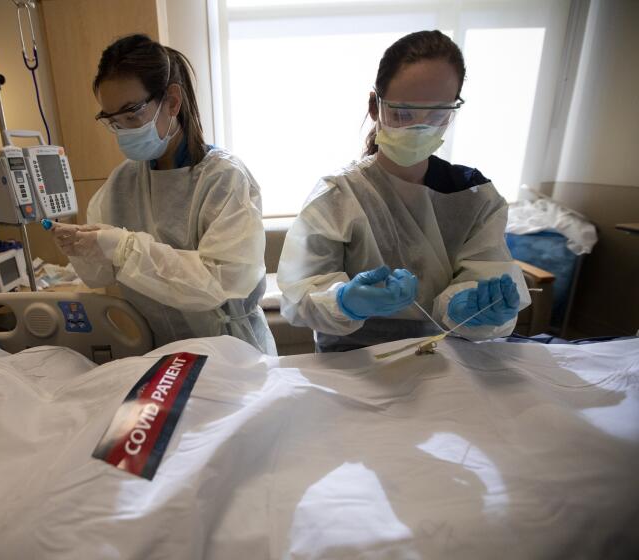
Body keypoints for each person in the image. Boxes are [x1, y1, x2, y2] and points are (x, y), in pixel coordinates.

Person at [278, 30, 530, 352]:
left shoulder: (473, 197)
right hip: (353, 363)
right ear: (374, 106)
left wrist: (472, 308)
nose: (419, 128)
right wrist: (343, 301)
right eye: (403, 113)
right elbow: (300, 296)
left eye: (438, 113)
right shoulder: (339, 196)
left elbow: (486, 272)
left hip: (445, 360)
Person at [51, 34, 276, 354]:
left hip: (232, 353)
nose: (125, 132)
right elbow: (100, 273)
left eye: (132, 116)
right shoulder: (121, 184)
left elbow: (217, 285)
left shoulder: (224, 180)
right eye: (114, 122)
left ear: (172, 101)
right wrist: (81, 247)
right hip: (161, 355)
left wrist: (124, 248)